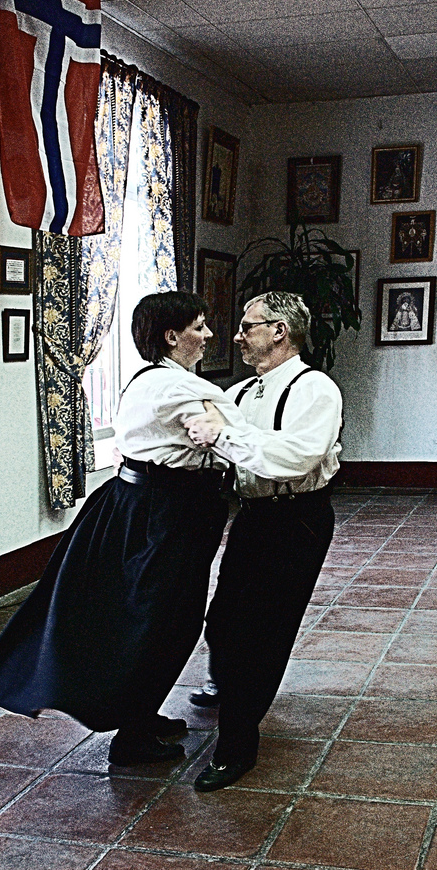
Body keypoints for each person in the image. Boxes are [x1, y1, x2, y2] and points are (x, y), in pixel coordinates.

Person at [0, 291, 245, 767]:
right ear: (171, 336)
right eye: (199, 327)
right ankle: (132, 735)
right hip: (163, 511)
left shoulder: (162, 379)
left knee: (159, 616)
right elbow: (231, 422)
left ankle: (142, 712)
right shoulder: (169, 387)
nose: (208, 335)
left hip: (151, 505)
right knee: (159, 621)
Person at [184, 291, 342, 791]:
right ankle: (228, 685)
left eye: (248, 326)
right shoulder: (244, 392)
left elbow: (289, 459)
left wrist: (221, 435)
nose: (236, 335)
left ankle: (236, 745)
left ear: (280, 331)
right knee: (225, 617)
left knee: (263, 633)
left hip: (297, 518)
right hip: (254, 515)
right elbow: (227, 441)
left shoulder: (315, 389)